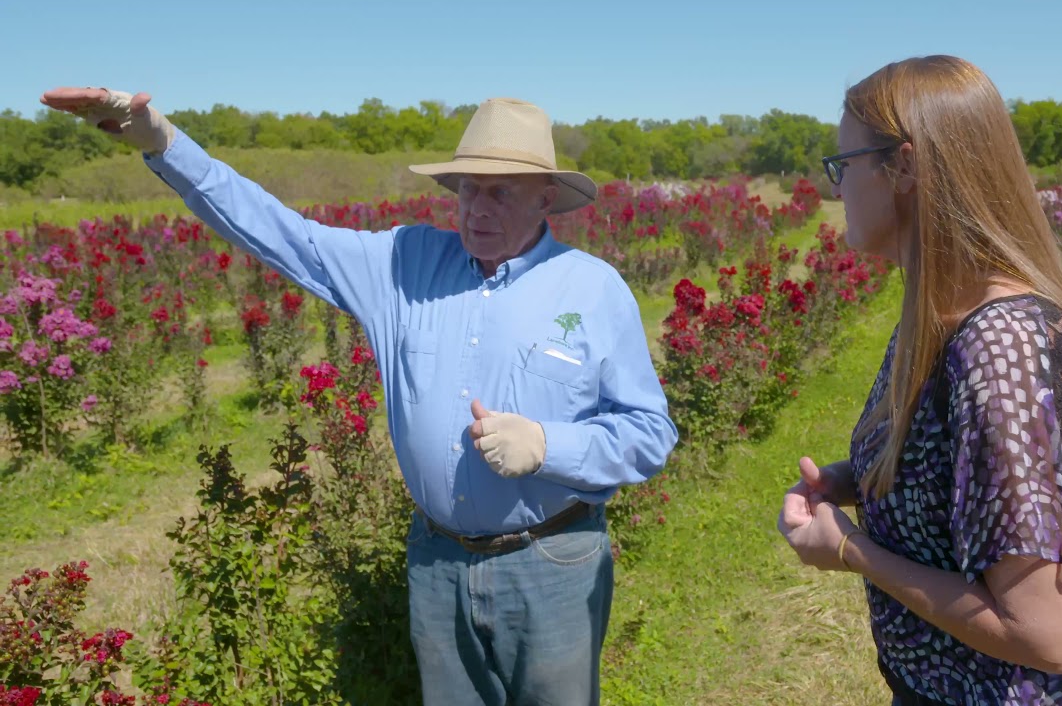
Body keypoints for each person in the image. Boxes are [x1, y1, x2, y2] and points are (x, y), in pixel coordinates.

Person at [40, 87, 679, 706]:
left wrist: (546, 445)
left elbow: (650, 433)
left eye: (501, 192)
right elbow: (283, 233)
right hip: (437, 562)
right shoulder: (402, 264)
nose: (477, 209)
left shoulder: (592, 290)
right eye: (468, 188)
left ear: (546, 198)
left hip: (553, 562)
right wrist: (165, 144)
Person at [775, 56, 1062, 705]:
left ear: (905, 166)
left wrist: (851, 550)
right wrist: (858, 479)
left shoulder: (1000, 346)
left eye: (843, 165)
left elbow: (1050, 635)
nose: (836, 191)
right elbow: (961, 472)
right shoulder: (941, 312)